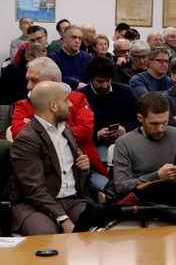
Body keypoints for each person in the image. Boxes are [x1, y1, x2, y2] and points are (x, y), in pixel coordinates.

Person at [8, 81, 93, 235]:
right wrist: (64, 219)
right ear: (53, 106)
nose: (70, 105)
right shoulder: (27, 139)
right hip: (33, 204)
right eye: (66, 100)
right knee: (46, 233)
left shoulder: (67, 130)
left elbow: (72, 173)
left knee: (95, 225)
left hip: (72, 199)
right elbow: (33, 190)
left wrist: (84, 167)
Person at [12, 57, 106, 186]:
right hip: (43, 173)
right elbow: (20, 136)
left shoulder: (77, 99)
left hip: (84, 167)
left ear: (53, 81)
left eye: (34, 80)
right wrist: (64, 134)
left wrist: (41, 134)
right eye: (27, 80)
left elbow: (86, 132)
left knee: (109, 192)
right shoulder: (22, 105)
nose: (28, 86)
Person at [113, 92, 176, 215]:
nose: (160, 129)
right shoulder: (124, 142)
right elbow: (121, 186)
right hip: (147, 204)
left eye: (165, 122)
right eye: (154, 124)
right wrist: (156, 176)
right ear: (140, 118)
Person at [78, 57, 138, 161]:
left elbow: (140, 120)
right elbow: (76, 130)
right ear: (91, 79)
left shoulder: (125, 91)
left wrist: (124, 129)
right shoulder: (80, 96)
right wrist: (97, 134)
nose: (104, 85)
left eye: (108, 81)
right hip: (97, 144)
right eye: (100, 81)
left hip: (127, 140)